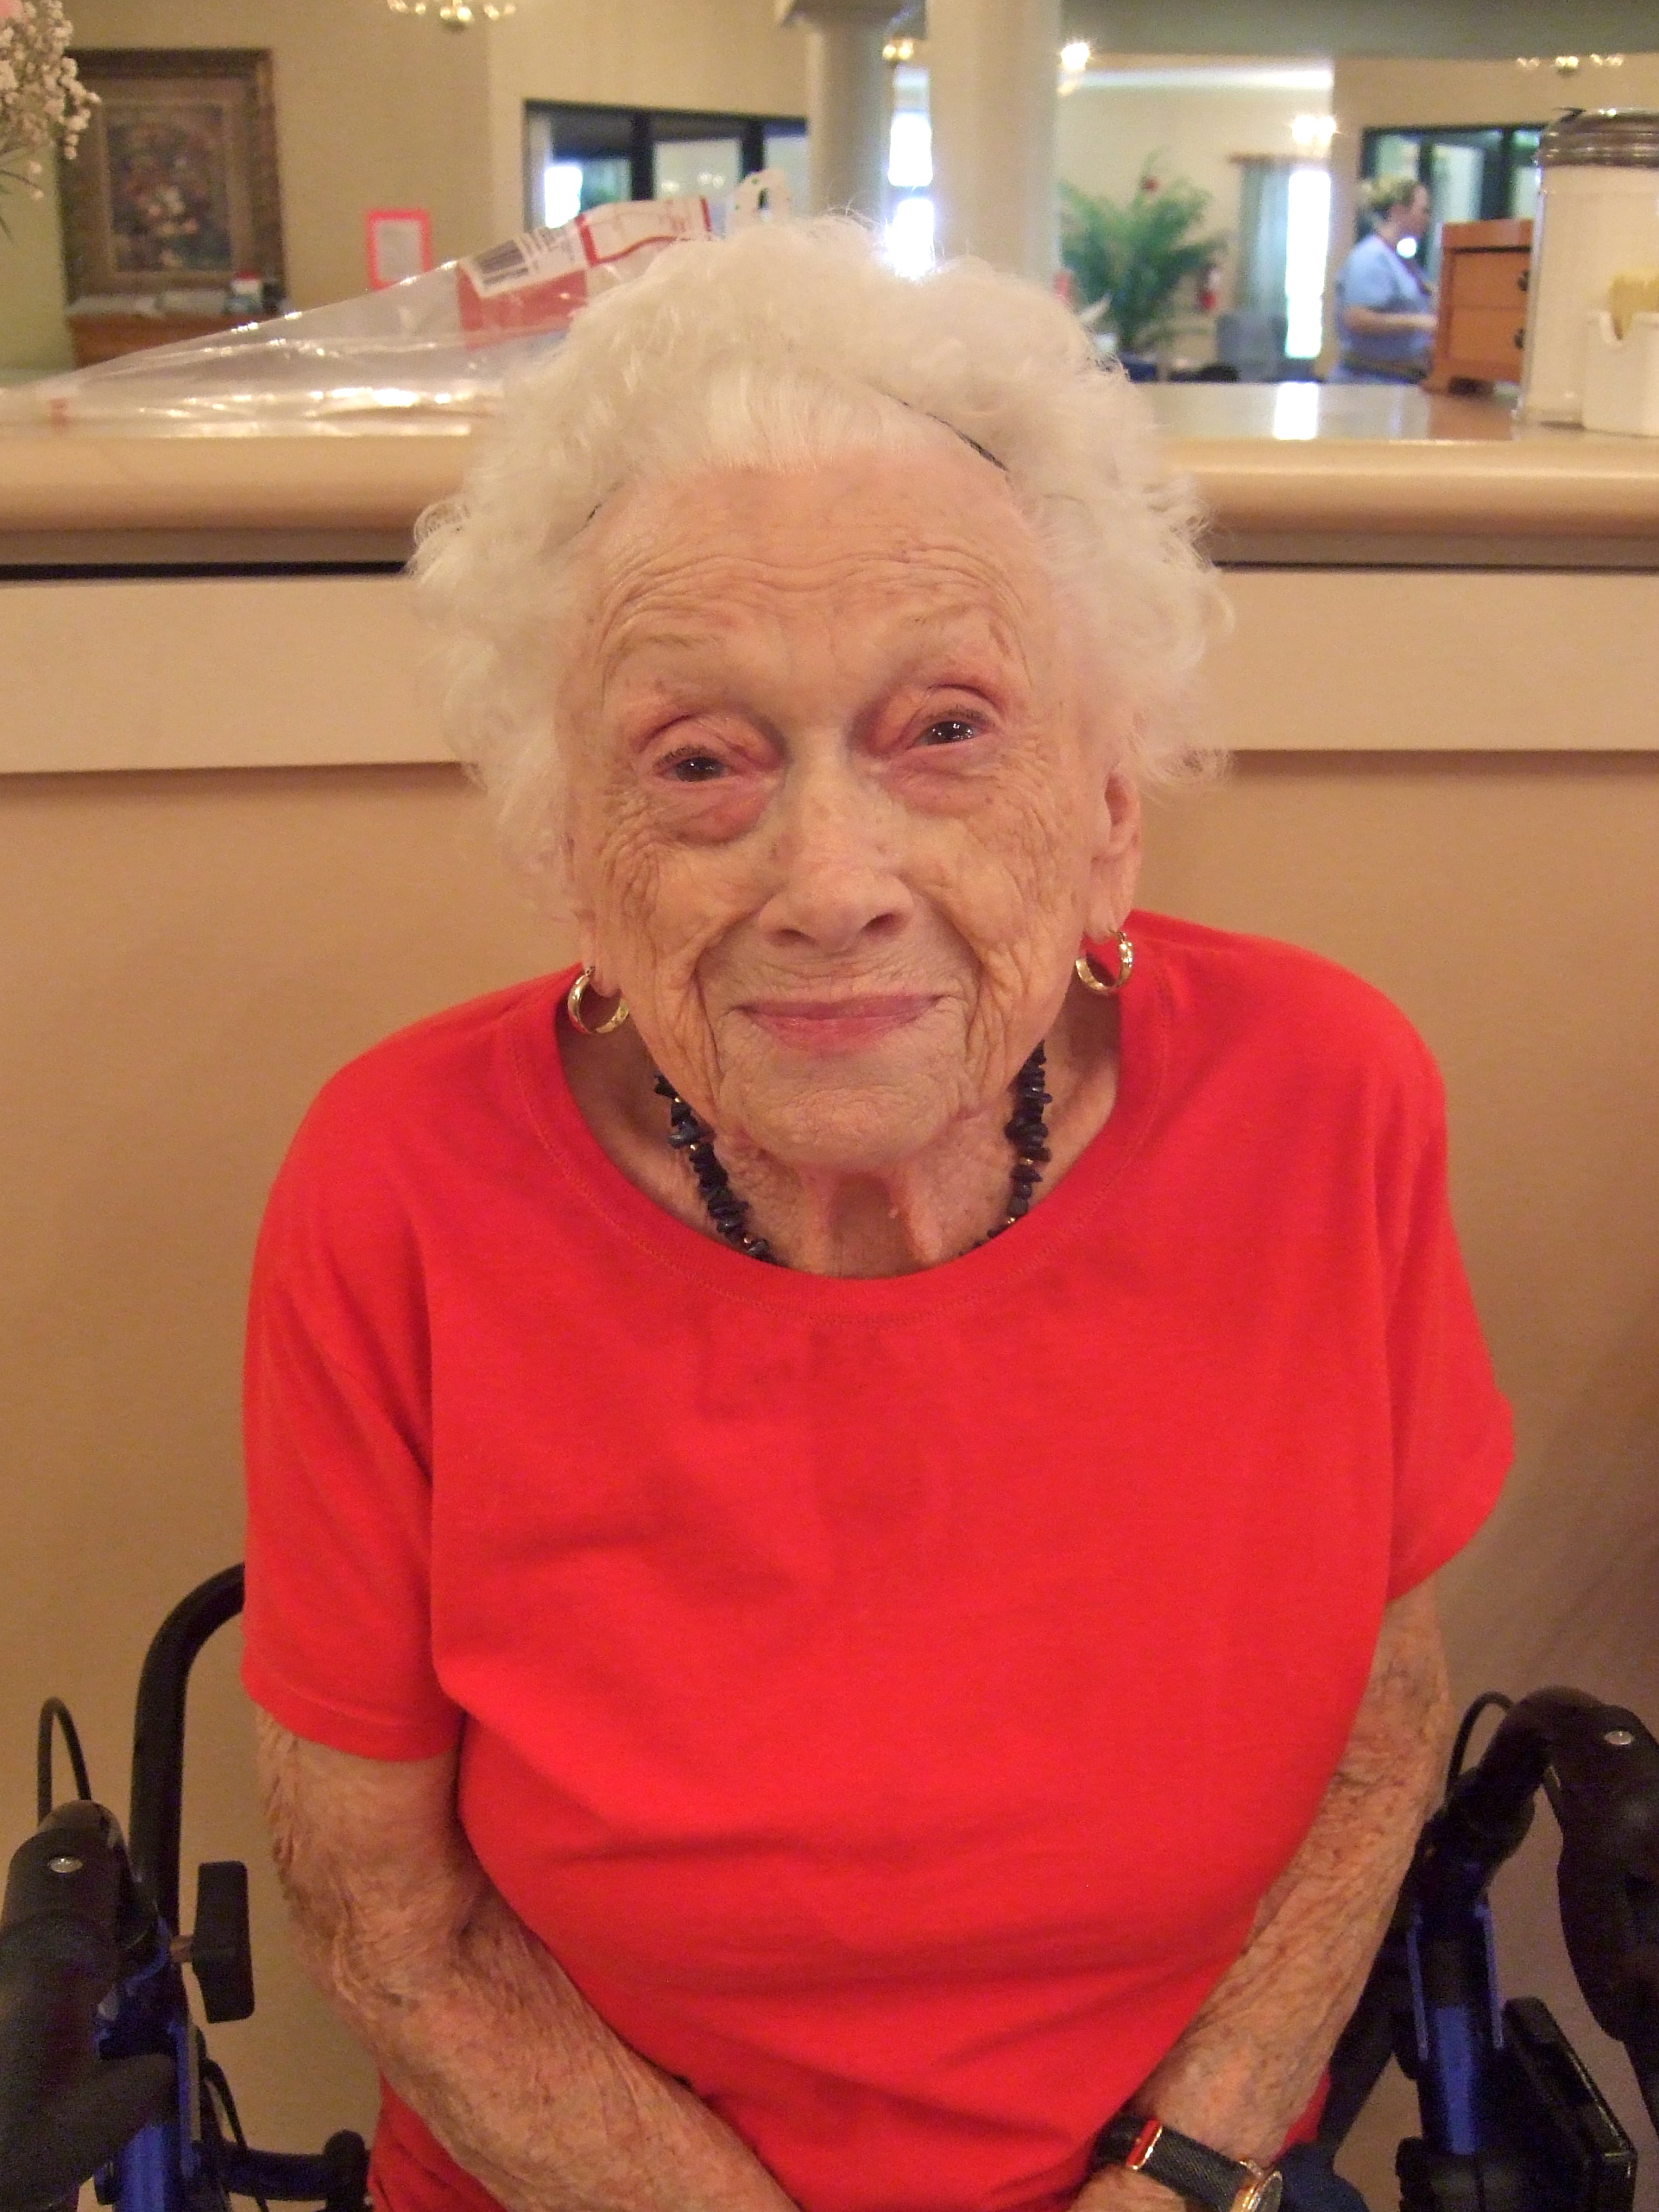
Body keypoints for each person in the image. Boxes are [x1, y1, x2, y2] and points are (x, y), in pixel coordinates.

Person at [243, 218, 1511, 2212]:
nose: (830, 880)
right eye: (699, 761)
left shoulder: (1323, 1108)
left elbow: (1381, 1723)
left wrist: (1186, 2167)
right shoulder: (396, 1194)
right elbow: (397, 1933)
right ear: (571, 848)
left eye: (944, 731)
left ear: (1108, 805)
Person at [1331, 178, 1437, 383]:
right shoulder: (1370, 257)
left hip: (1400, 379)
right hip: (1367, 382)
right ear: (1398, 212)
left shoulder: (1403, 260)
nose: (1428, 218)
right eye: (1423, 210)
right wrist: (1418, 322)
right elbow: (1357, 318)